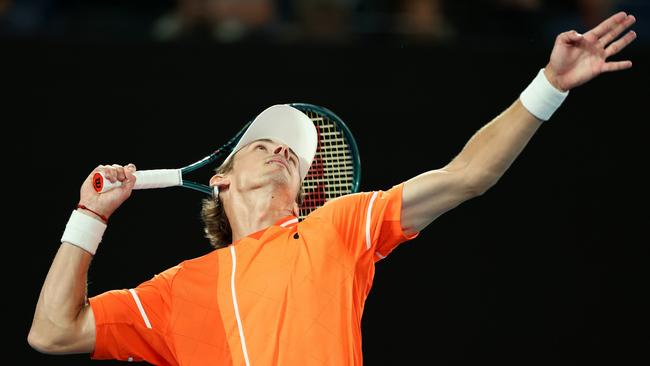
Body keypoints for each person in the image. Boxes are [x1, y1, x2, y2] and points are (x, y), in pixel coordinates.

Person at [28, 11, 637, 365]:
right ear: (221, 177)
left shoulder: (336, 228)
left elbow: (468, 175)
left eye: (292, 151)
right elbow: (51, 332)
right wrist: (90, 216)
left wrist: (548, 87)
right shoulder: (173, 294)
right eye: (263, 143)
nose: (283, 149)